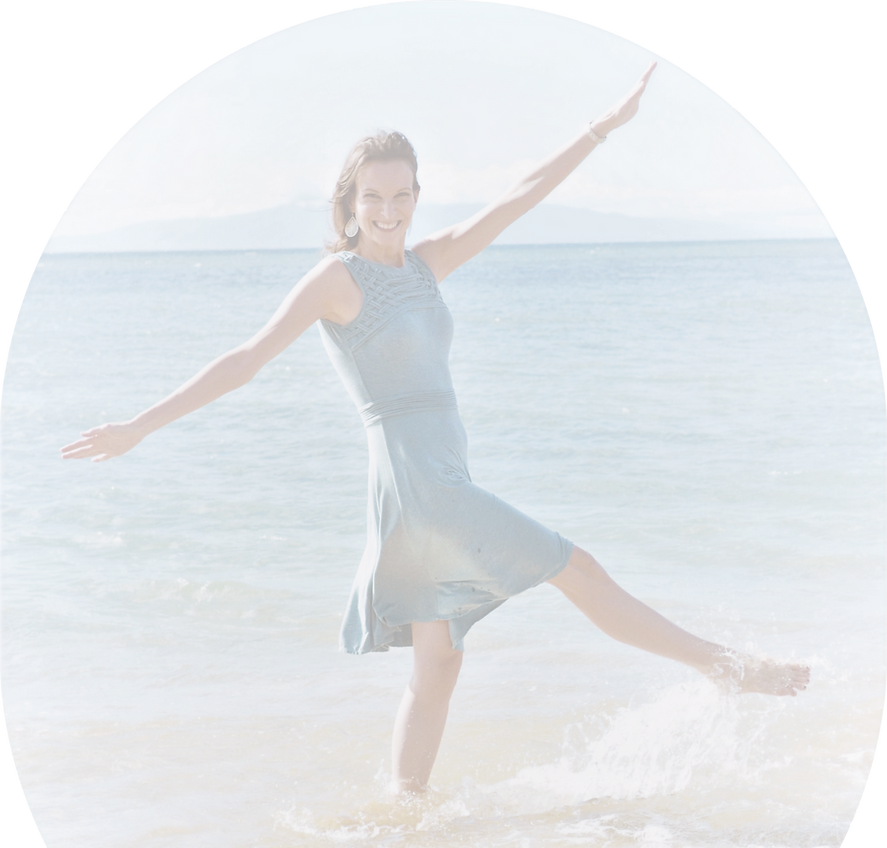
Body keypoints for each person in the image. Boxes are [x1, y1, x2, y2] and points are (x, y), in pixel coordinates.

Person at [61, 62, 809, 793]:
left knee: (438, 669)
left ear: (416, 195)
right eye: (372, 195)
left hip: (440, 480)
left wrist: (600, 130)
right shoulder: (336, 279)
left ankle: (400, 814)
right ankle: (728, 668)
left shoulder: (425, 266)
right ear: (349, 200)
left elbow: (517, 198)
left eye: (400, 194)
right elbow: (245, 358)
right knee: (577, 568)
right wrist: (140, 425)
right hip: (421, 487)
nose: (387, 208)